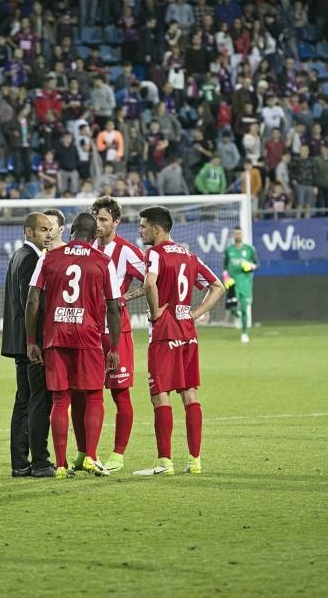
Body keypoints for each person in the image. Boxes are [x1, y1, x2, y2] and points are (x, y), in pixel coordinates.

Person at [24, 213, 122, 479]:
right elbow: (114, 307)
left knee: (60, 399)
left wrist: (31, 340)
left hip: (56, 336)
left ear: (71, 233)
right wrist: (114, 346)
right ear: (94, 237)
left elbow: (33, 300)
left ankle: (60, 465)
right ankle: (90, 456)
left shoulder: (48, 257)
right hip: (88, 337)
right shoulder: (103, 261)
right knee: (93, 397)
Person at [134, 206, 225, 476]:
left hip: (164, 333)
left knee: (159, 394)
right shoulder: (189, 254)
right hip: (187, 332)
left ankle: (164, 462)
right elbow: (218, 286)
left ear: (156, 229)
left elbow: (150, 283)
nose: (140, 230)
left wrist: (154, 312)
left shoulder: (155, 253)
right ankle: (195, 460)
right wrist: (195, 313)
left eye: (143, 226)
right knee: (189, 393)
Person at [72, 196, 147, 474]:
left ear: (116, 222)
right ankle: (83, 452)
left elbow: (152, 279)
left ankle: (118, 453)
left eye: (104, 219)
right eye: (96, 219)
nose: (99, 224)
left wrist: (128, 296)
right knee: (81, 395)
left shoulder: (126, 251)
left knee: (119, 394)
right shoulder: (84, 249)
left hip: (116, 332)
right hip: (87, 333)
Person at [0, 213, 55, 478]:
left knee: (23, 401)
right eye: (43, 229)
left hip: (19, 341)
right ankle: (40, 461)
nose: (48, 234)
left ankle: (19, 462)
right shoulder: (32, 258)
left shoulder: (17, 255)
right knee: (38, 401)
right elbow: (28, 303)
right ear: (29, 232)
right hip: (30, 343)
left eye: (49, 229)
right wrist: (36, 339)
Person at [223, 227, 259, 344]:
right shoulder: (229, 250)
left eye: (239, 233)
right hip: (232, 283)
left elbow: (257, 264)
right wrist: (225, 277)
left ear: (242, 235)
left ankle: (244, 333)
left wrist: (250, 266)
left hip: (245, 283)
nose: (237, 235)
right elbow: (225, 267)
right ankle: (236, 314)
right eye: (235, 234)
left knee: (244, 308)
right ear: (233, 236)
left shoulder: (249, 250)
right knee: (232, 307)